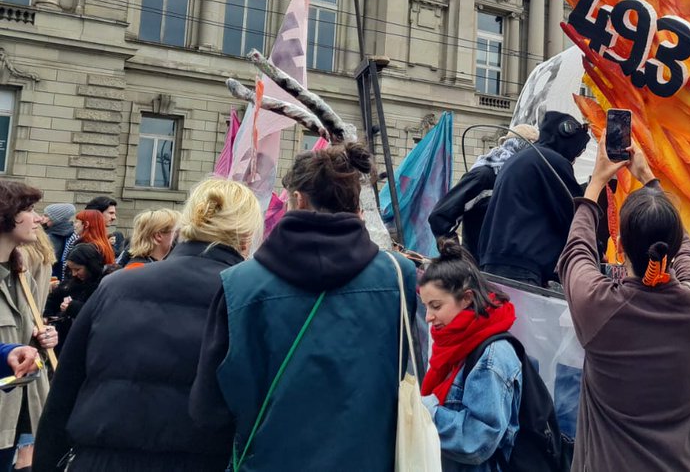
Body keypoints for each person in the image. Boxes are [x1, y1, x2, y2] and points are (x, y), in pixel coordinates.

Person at [190, 143, 418, 471]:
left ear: (298, 199)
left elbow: (208, 409)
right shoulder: (399, 275)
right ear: (356, 202)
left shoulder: (238, 284)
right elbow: (397, 372)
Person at [33, 179, 262, 472]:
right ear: (246, 236)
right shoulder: (248, 298)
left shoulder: (115, 285)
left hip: (99, 459)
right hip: (200, 461)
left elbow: (64, 391)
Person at [558, 140, 690, 471]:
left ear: (618, 243)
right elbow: (686, 251)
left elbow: (576, 252)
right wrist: (649, 180)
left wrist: (596, 182)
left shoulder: (598, 307)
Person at [418, 239, 522, 470]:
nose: (428, 317)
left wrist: (425, 411)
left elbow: (478, 438)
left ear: (466, 298)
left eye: (435, 306)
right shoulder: (451, 342)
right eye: (425, 306)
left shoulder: (492, 357)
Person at [478, 112, 591, 287]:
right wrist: (595, 248)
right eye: (577, 151)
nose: (574, 159)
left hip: (494, 261)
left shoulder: (522, 159)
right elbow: (573, 214)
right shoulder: (551, 161)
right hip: (521, 266)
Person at [0, 181, 59, 468]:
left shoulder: (21, 275)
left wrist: (41, 338)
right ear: (5, 215)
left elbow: (21, 335)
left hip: (12, 413)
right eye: (29, 210)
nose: (38, 219)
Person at [429, 124, 538, 260]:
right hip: (479, 269)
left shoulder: (527, 181)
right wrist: (457, 257)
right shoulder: (484, 175)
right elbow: (440, 216)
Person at [43, 244, 105, 346]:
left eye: (77, 269)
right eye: (71, 269)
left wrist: (72, 307)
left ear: (90, 266)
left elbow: (98, 312)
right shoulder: (72, 282)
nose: (74, 274)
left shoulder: (102, 284)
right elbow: (54, 298)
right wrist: (47, 314)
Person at [40, 204, 74, 279]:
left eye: (46, 216)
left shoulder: (51, 238)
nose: (41, 218)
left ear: (56, 219)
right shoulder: (70, 233)